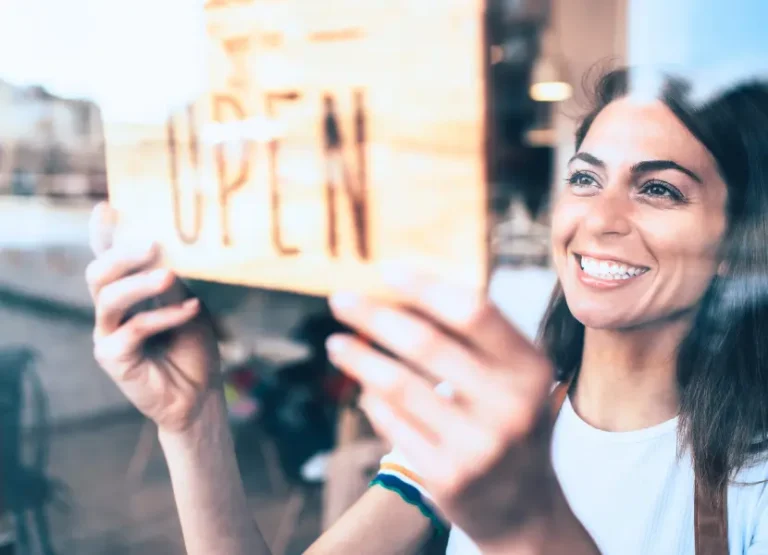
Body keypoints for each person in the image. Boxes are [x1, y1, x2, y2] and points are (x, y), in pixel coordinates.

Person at [86, 67, 768, 554]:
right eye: (585, 178)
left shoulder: (754, 485)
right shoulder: (471, 418)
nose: (599, 218)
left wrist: (526, 522)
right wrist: (194, 420)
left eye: (658, 189)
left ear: (738, 239)